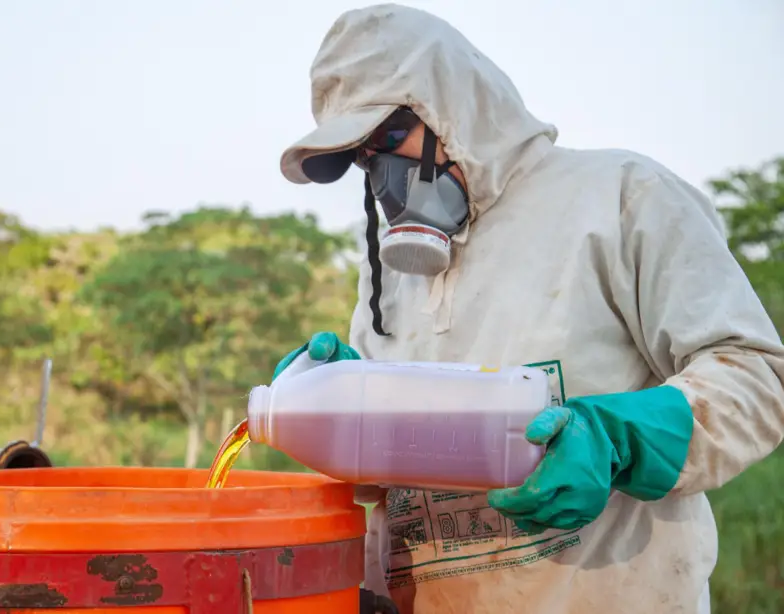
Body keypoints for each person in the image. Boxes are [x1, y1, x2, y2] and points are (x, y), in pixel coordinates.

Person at [273, 4, 784, 614]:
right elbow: (392, 477)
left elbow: (757, 375)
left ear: (451, 104)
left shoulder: (622, 197)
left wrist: (616, 439)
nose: (384, 176)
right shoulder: (389, 276)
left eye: (388, 139)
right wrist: (345, 411)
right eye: (362, 159)